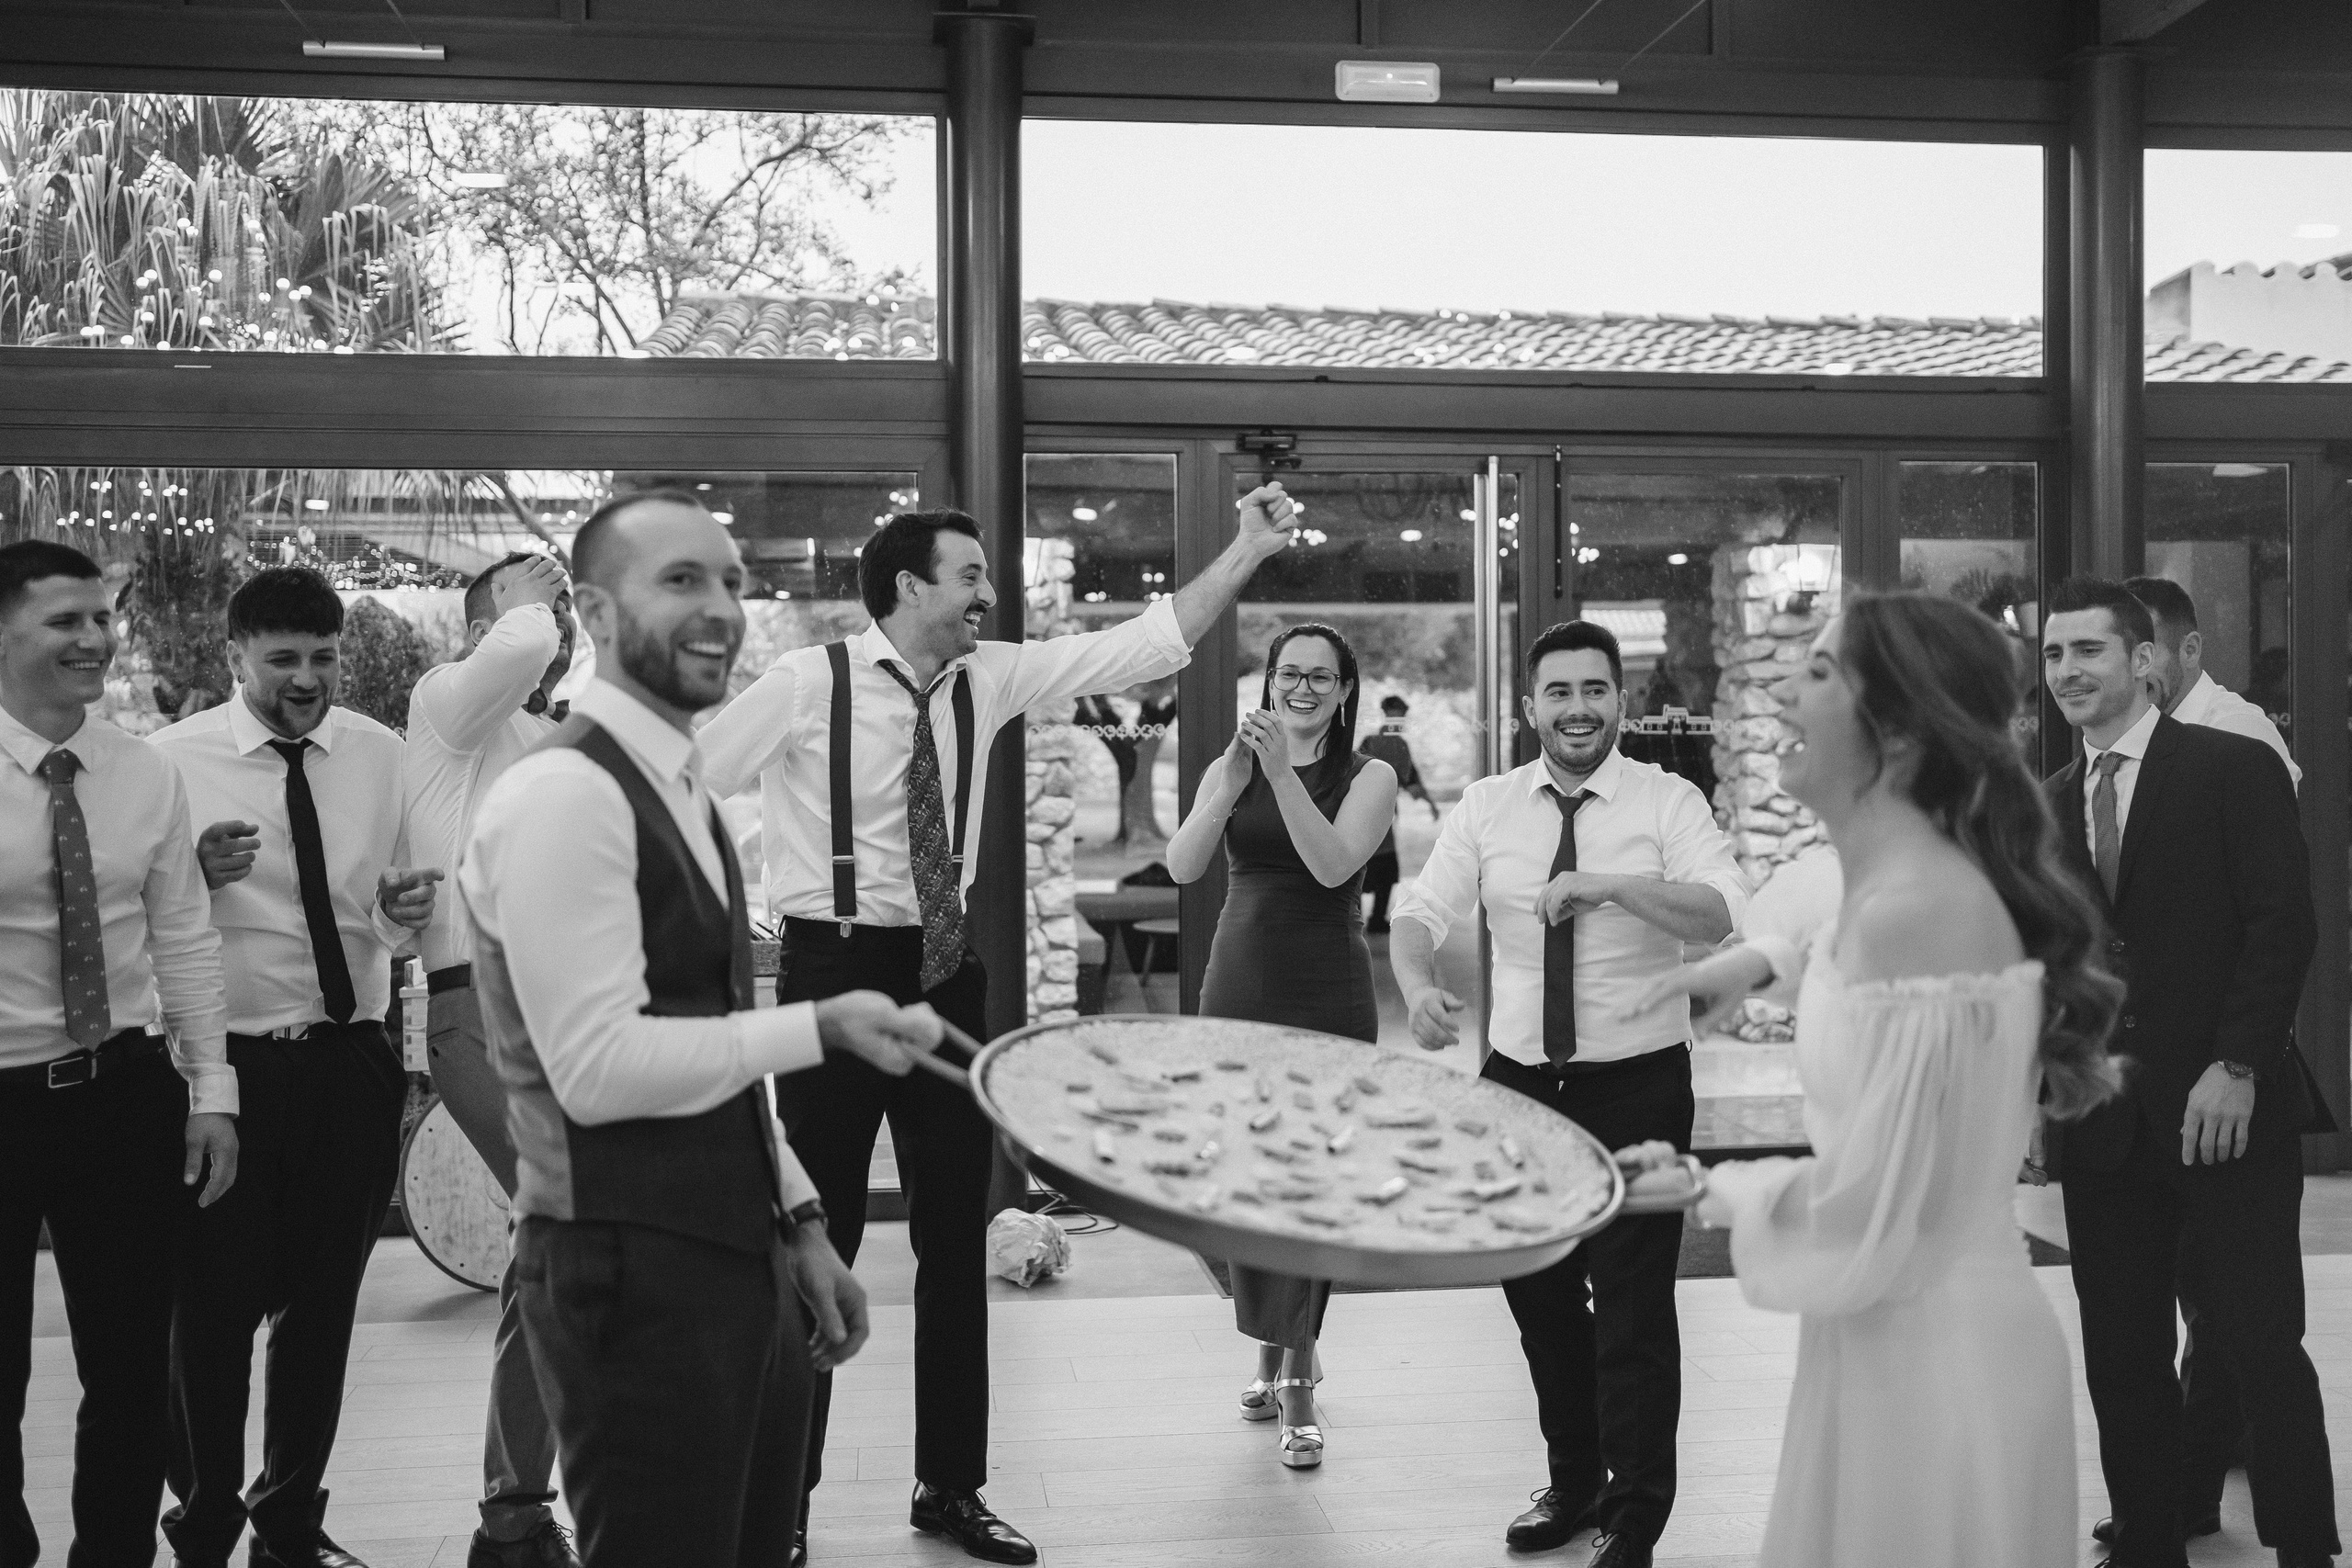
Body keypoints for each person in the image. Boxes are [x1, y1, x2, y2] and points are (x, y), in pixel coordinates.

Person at [698, 484, 1303, 1564]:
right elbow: (692, 782)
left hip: (943, 973)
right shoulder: (805, 681)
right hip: (831, 970)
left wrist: (1246, 550)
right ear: (909, 586)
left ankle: (951, 1489)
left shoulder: (994, 676)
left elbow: (1145, 642)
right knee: (816, 1239)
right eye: (970, 576)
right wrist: (726, 914)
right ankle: (780, 1504)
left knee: (954, 1237)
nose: (987, 594)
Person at [458, 490, 945, 1565]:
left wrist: (801, 1223)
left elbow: (711, 1035)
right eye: (680, 579)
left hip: (734, 1248)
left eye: (730, 581)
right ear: (592, 609)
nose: (720, 606)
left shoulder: (684, 788)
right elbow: (596, 1069)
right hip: (622, 1263)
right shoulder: (564, 795)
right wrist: (822, 1024)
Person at [1628, 592, 2125, 1568]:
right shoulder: (1887, 888)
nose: (1782, 689)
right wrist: (1754, 966)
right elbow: (1832, 939)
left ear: (1897, 732)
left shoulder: (1918, 910)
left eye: (1817, 671)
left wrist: (1705, 1188)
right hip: (1887, 1338)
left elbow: (1886, 1205)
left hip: (1938, 1367)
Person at [1388, 620, 1747, 1568]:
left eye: (1595, 689)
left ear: (1621, 701)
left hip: (1638, 1082)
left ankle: (1634, 1516)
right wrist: (1418, 987)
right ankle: (1576, 1478)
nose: (1578, 708)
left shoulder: (1667, 801)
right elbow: (1420, 911)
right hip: (1517, 1086)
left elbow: (1719, 913)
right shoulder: (1489, 805)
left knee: (1632, 1306)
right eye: (1560, 691)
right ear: (1529, 707)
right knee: (1539, 1293)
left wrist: (1610, 886)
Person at [2039, 577, 2335, 1568]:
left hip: (2226, 1112)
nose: (2068, 671)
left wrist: (2239, 1062)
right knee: (2122, 1358)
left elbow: (2281, 924)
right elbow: (2053, 964)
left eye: (2088, 650)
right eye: (2053, 654)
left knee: (2260, 1347)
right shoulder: (2044, 804)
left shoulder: (2231, 766)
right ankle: (2149, 1544)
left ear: (2144, 661)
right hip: (2105, 1126)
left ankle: (2305, 1548)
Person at [150, 566, 442, 1568]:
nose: (307, 678)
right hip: (219, 1073)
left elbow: (396, 910)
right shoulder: (171, 764)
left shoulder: (380, 755)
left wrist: (402, 915)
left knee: (323, 1309)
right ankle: (203, 1524)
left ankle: (287, 1523)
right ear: (235, 658)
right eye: (282, 659)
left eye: (323, 657)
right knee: (211, 1312)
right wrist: (190, 875)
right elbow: (127, 924)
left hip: (350, 1062)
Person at [0, 541, 236, 1568]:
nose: (94, 638)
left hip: (123, 1090)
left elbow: (183, 936)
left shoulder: (142, 771)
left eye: (101, 617)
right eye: (65, 620)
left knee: (134, 1367)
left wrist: (212, 1089)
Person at [1165, 623, 1398, 1469]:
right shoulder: (1232, 765)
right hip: (1240, 979)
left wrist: (1279, 776)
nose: (1302, 688)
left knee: (1312, 1179)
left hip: (1328, 987)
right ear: (1268, 682)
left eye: (1320, 677)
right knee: (1241, 1173)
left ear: (1344, 691)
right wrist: (1228, 786)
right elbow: (1184, 865)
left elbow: (1334, 865)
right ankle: (1278, 1348)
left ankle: (1296, 1376)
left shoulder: (1371, 774)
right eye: (1288, 674)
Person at [2123, 572, 2313, 1547]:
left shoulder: (2236, 740)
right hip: (2150, 1080)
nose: (2134, 668)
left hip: (2226, 1071)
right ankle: (2184, 1495)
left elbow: (2272, 919)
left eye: (2145, 649)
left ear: (2184, 650)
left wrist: (2238, 1060)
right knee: (2193, 1302)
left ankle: (2246, 1512)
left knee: (2238, 1316)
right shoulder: (2113, 758)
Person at [399, 549, 581, 1567]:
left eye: (566, 599)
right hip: (482, 1012)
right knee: (571, 1228)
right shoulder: (446, 707)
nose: (559, 612)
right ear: (485, 629)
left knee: (549, 1251)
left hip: (576, 1017)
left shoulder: (553, 733)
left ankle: (517, 1513)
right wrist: (523, 605)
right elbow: (519, 645)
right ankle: (519, 1513)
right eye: (541, 595)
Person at [2125, 574, 2300, 785]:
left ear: (2190, 650)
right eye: (2120, 655)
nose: (2131, 671)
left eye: (2145, 655)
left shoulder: (2238, 732)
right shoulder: (2124, 731)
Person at [1355, 694, 1433, 932]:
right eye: (1395, 716)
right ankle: (1366, 917)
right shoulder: (1377, 742)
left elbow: (1411, 779)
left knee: (1377, 865)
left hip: (1379, 813)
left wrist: (1430, 803)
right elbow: (1410, 781)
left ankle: (1371, 918)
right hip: (1365, 811)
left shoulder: (1393, 744)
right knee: (1371, 864)